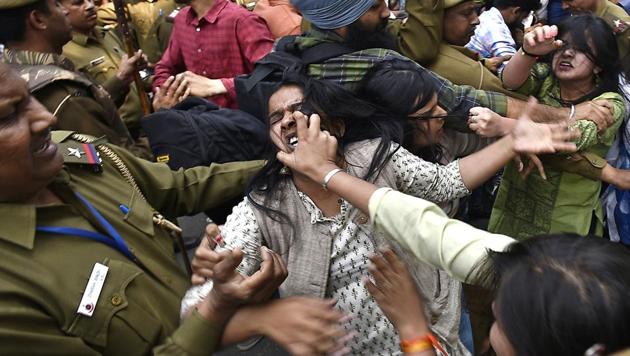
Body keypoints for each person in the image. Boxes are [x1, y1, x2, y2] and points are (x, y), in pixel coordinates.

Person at [184, 75, 577, 355]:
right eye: (276, 117)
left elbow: (444, 184)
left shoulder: (376, 156)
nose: (287, 119)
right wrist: (220, 285)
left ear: (335, 124)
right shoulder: (264, 207)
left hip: (429, 329)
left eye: (299, 110)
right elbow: (195, 311)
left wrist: (511, 142)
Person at [273, 107, 630, 356]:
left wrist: (414, 333)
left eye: (502, 323)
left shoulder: (379, 156)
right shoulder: (266, 205)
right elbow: (437, 233)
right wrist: (328, 173)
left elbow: (442, 191)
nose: (489, 309)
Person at [0, 62, 299, 354]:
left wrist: (277, 166)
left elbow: (177, 187)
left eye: (30, 99)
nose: (46, 119)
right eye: (9, 115)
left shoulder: (76, 155)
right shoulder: (9, 296)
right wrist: (215, 311)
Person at [286, 0, 614, 135]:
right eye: (374, 7)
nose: (388, 14)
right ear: (339, 18)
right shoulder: (377, 61)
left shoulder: (313, 40)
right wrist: (568, 116)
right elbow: (461, 102)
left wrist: (522, 55)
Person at [488, 15, 626, 238]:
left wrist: (503, 125)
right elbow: (509, 82)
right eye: (564, 44)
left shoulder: (609, 102)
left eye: (581, 49)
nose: (568, 53)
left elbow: (568, 140)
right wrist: (529, 51)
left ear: (599, 65)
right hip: (515, 205)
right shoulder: (545, 78)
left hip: (566, 217)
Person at [0, 0, 154, 159]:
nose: (65, 12)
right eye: (57, 5)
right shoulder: (62, 89)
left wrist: (121, 81)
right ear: (38, 20)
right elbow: (123, 167)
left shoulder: (12, 72)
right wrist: (160, 121)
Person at [152, 0, 274, 109]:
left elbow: (273, 76)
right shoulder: (182, 19)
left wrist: (217, 86)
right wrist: (166, 95)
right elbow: (165, 67)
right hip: (199, 121)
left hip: (243, 124)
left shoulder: (242, 20)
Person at [61, 0, 149, 138]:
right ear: (60, 10)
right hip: (120, 136)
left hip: (146, 121)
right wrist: (120, 78)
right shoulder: (64, 54)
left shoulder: (107, 35)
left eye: (90, 0)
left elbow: (133, 79)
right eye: (78, 3)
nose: (90, 6)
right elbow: (86, 107)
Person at [427, 0, 528, 98]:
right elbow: (520, 101)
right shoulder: (470, 72)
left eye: (475, 11)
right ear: (437, 18)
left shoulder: (439, 48)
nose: (477, 20)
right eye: (467, 13)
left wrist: (485, 63)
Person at [466, 0, 543, 75]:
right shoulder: (497, 30)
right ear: (516, 11)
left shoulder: (488, 15)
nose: (522, 22)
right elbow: (513, 74)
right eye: (523, 17)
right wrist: (530, 49)